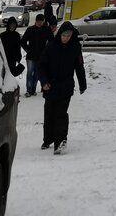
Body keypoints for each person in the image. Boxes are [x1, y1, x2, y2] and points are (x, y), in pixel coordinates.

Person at [37, 20, 87, 155]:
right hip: (50, 86)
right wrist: (44, 81)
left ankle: (60, 142)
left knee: (60, 114)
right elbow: (41, 66)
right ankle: (48, 139)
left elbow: (79, 67)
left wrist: (83, 84)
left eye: (68, 36)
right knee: (49, 114)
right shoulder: (51, 47)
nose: (66, 38)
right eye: (64, 35)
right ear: (60, 35)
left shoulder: (75, 48)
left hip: (66, 86)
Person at [21, 13, 54, 97]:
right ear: (35, 21)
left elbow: (52, 41)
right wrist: (28, 50)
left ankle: (33, 90)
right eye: (38, 21)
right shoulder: (30, 29)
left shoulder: (46, 30)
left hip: (41, 56)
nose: (39, 23)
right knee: (29, 73)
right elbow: (23, 41)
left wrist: (47, 50)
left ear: (43, 21)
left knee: (37, 73)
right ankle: (28, 90)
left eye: (41, 21)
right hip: (31, 56)